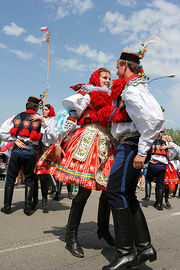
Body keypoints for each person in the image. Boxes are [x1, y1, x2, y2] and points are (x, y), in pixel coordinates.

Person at [36, 68, 117, 258]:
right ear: (96, 78)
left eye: (109, 78)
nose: (107, 81)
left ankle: (103, 229)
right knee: (84, 190)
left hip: (106, 142)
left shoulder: (113, 98)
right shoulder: (86, 94)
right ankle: (71, 237)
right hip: (87, 141)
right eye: (104, 77)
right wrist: (58, 142)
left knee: (109, 189)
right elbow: (67, 119)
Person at [102, 52, 164, 270]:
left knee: (115, 192)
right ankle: (144, 246)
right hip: (128, 144)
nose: (116, 70)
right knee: (126, 193)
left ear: (124, 65)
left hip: (131, 145)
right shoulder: (133, 87)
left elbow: (155, 119)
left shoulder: (132, 89)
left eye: (118, 66)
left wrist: (142, 150)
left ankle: (126, 252)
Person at [0, 96, 43, 215]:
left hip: (17, 150)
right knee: (29, 179)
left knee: (10, 178)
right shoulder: (40, 119)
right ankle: (28, 208)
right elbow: (48, 137)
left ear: (27, 105)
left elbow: (2, 131)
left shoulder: (16, 116)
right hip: (31, 151)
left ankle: (7, 207)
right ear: (37, 107)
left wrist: (13, 140)